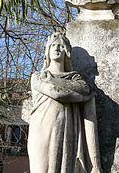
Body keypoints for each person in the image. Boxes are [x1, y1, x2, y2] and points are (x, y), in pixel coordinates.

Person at [28, 31, 101, 173]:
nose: (56, 49)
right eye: (53, 46)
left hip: (67, 127)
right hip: (42, 127)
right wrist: (83, 98)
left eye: (61, 46)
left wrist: (53, 80)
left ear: (66, 52)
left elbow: (84, 88)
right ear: (47, 51)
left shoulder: (74, 77)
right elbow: (57, 94)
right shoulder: (38, 76)